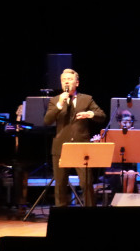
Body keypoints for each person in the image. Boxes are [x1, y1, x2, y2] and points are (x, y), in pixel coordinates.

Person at [44, 69, 106, 207]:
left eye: (70, 79)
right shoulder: (55, 100)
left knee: (86, 183)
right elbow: (47, 120)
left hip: (81, 147)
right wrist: (60, 104)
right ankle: (61, 216)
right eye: (64, 79)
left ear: (77, 83)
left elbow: (101, 115)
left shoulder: (86, 99)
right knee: (60, 184)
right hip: (61, 147)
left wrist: (89, 114)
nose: (66, 81)